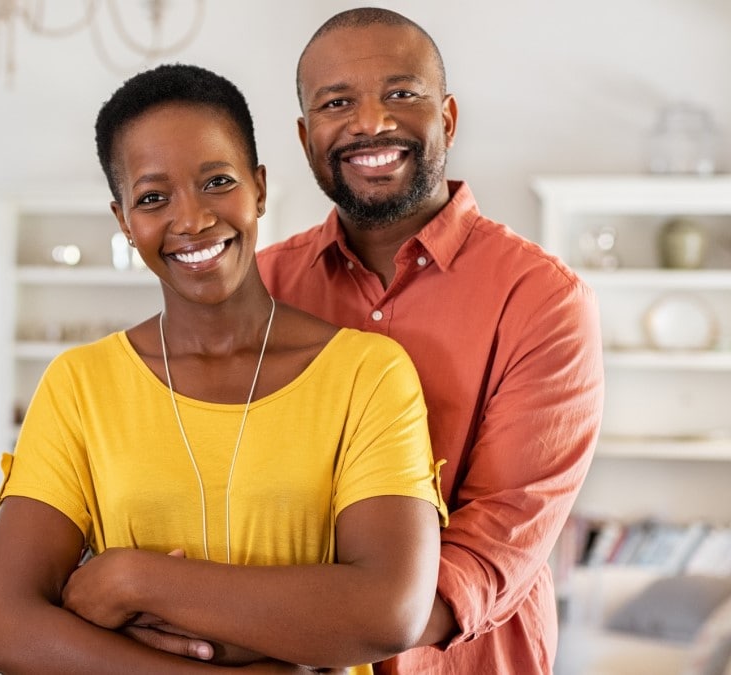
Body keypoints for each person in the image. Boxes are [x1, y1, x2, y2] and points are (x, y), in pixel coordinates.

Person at [0, 63, 448, 674]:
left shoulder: (367, 374)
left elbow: (387, 613)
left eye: (217, 182)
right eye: (152, 198)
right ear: (124, 221)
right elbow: (5, 626)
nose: (192, 220)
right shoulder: (80, 386)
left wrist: (131, 579)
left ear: (259, 188)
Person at [253, 8, 605, 674]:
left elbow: (496, 540)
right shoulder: (260, 288)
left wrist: (328, 636)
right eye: (337, 103)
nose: (370, 122)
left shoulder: (543, 300)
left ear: (447, 117)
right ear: (305, 138)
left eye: (401, 93)